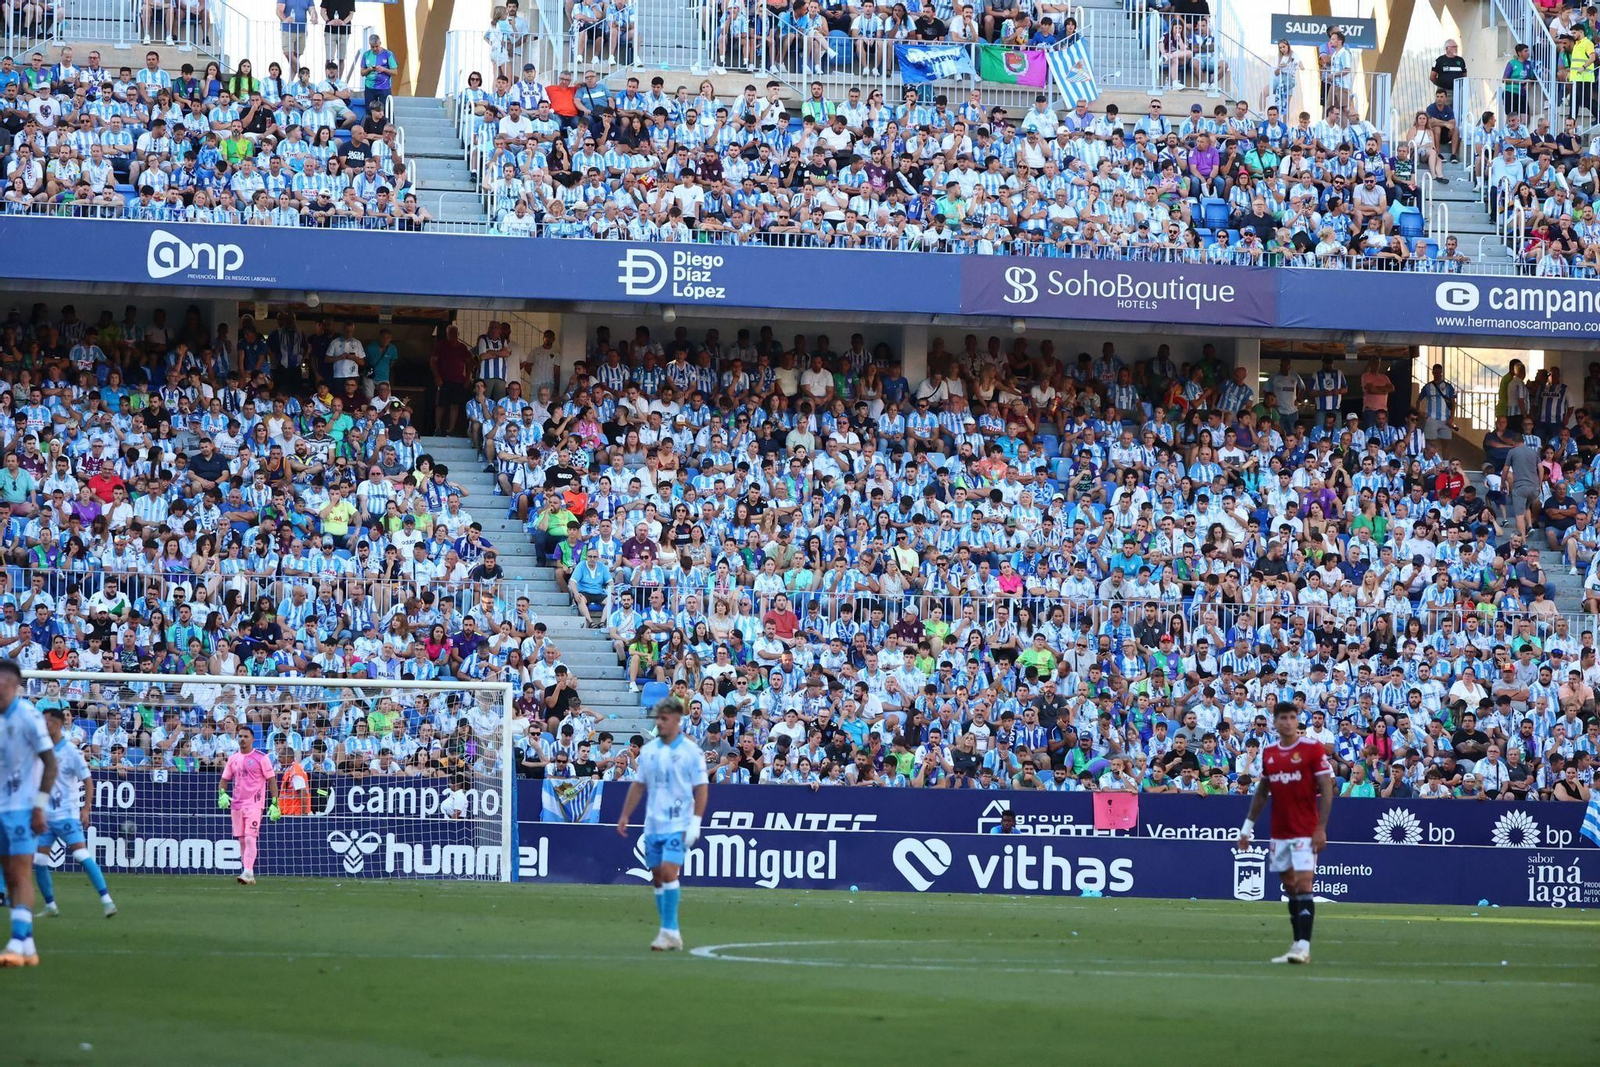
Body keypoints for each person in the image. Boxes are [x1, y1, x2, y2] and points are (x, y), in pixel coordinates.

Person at [1234, 702, 1334, 965]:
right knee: (1290, 887)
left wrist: (1320, 828)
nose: (1288, 722)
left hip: (1305, 830)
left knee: (1303, 884)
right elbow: (1262, 792)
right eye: (1283, 718)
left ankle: (1303, 945)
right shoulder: (1269, 753)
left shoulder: (1312, 749)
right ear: (1275, 722)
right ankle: (1297, 942)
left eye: (1293, 717)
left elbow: (1326, 788)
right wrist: (1247, 828)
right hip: (1279, 832)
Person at [615, 697, 708, 951]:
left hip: (679, 822)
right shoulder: (650, 750)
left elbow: (701, 789)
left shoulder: (691, 752)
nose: (660, 723)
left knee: (669, 872)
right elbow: (639, 784)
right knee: (657, 877)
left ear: (678, 720)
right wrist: (625, 815)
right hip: (653, 823)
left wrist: (696, 823)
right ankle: (671, 933)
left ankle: (668, 931)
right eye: (658, 718)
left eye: (664, 719)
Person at [0, 658, 57, 967]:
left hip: (22, 808)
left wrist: (39, 805)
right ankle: (29, 947)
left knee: (21, 874)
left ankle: (16, 942)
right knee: (9, 876)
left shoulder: (29, 717)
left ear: (12, 685)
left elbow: (51, 763)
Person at [33, 707, 116, 918]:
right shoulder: (41, 751)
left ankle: (107, 901)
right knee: (40, 861)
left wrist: (86, 809)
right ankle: (51, 905)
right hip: (46, 816)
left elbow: (88, 782)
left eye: (48, 722)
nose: (44, 726)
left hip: (66, 814)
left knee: (80, 854)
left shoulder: (71, 752)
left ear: (59, 724)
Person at [218, 726, 279, 885]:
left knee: (251, 838)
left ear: (252, 739)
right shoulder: (233, 759)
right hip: (237, 805)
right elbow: (224, 779)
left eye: (245, 736)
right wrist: (222, 794)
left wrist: (274, 802)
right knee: (242, 840)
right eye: (240, 736)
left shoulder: (261, 758)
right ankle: (248, 873)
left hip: (254, 804)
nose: (242, 739)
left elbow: (271, 779)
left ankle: (247, 872)